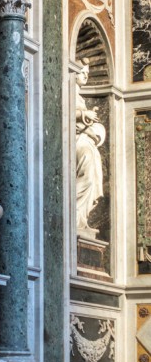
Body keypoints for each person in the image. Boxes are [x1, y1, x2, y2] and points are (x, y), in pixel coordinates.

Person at [75, 59, 105, 238]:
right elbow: (64, 111)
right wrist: (84, 115)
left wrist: (94, 131)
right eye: (82, 72)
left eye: (87, 72)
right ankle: (74, 212)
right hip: (77, 141)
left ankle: (81, 218)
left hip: (85, 139)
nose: (86, 75)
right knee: (87, 173)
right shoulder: (68, 91)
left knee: (94, 176)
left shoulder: (80, 97)